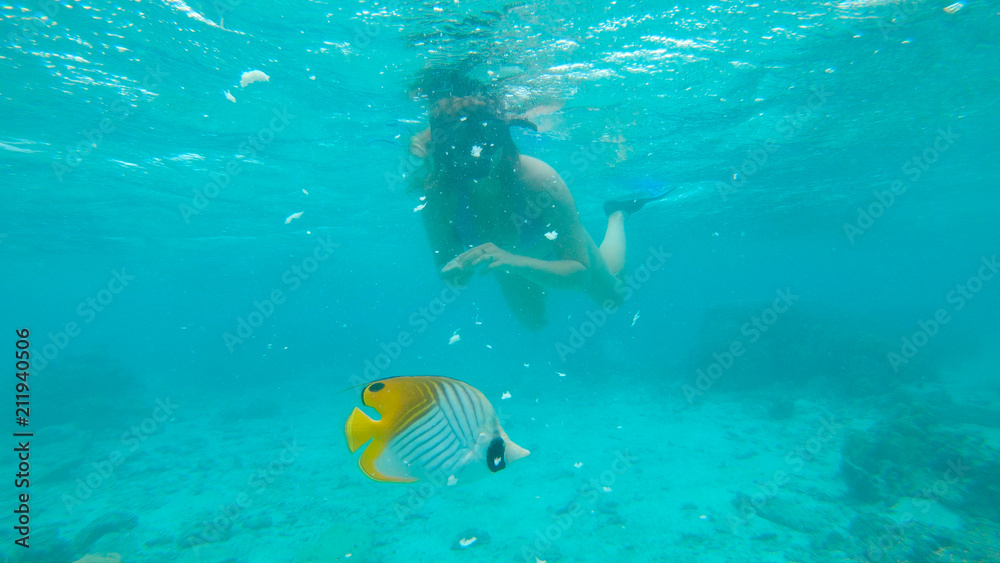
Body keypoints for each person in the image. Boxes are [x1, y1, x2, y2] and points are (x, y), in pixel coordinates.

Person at [412, 91, 667, 330]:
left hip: (544, 250)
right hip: (506, 261)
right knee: (534, 323)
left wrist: (511, 261)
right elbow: (448, 270)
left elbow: (579, 273)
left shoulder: (539, 180)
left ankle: (617, 214)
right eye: (462, 154)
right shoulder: (439, 192)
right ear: (447, 154)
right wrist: (458, 271)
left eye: (483, 150)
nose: (475, 162)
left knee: (613, 297)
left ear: (501, 141)